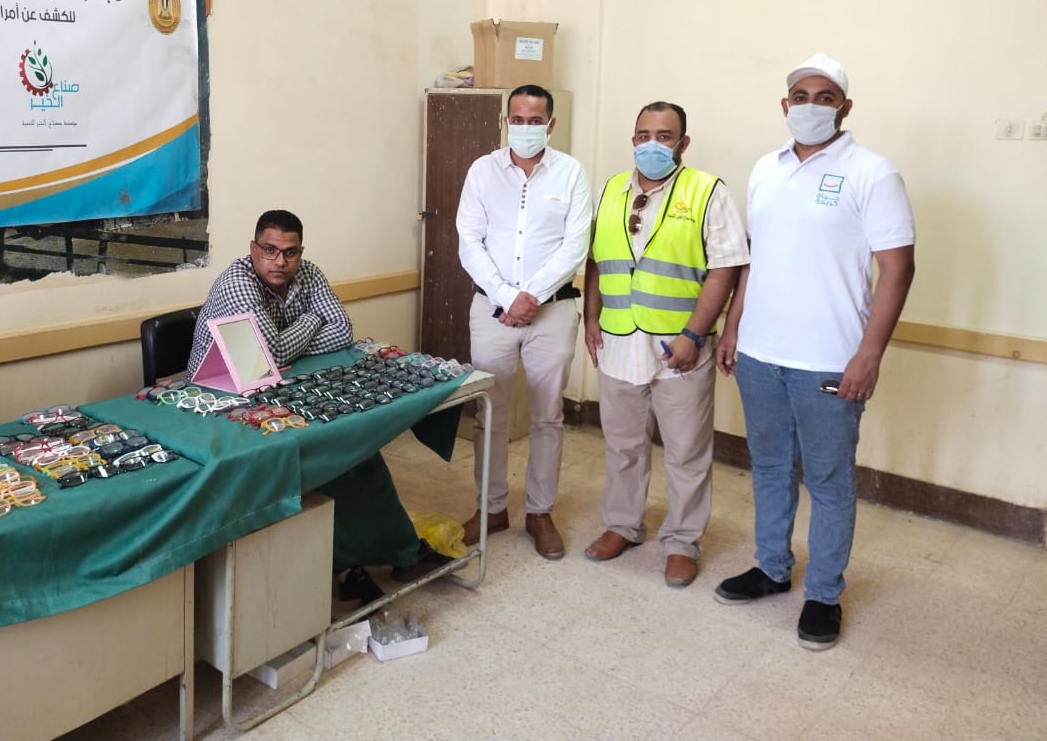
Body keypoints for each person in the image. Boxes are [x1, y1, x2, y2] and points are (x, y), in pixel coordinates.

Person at [715, 53, 915, 651]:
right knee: (771, 467)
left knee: (828, 480)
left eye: (824, 97)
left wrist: (870, 353)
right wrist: (733, 328)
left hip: (829, 359)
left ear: (844, 108)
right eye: (800, 96)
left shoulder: (872, 173)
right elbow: (754, 258)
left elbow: (898, 269)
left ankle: (824, 594)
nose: (810, 106)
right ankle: (772, 568)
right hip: (760, 354)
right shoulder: (765, 169)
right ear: (784, 105)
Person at [187, 209, 446, 597]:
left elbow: (342, 332)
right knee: (330, 455)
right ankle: (359, 560)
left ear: (300, 252)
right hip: (222, 400)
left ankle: (374, 555)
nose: (280, 261)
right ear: (253, 249)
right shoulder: (237, 282)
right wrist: (311, 321)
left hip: (278, 386)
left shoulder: (308, 273)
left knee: (354, 447)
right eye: (270, 250)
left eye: (290, 252)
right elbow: (272, 354)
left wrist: (282, 345)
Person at [581, 102, 748, 587]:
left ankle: (682, 542)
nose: (651, 144)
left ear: (683, 143)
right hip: (617, 341)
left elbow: (726, 267)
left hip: (680, 346)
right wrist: (590, 317)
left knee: (686, 452)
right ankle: (623, 525)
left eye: (664, 135)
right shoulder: (610, 189)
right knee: (623, 445)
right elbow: (596, 260)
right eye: (643, 135)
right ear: (633, 139)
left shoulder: (707, 191)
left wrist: (694, 334)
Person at [455, 84, 592, 560]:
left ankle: (539, 511)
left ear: (551, 125)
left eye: (535, 121)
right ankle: (491, 507)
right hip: (492, 310)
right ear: (505, 121)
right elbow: (469, 241)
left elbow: (575, 244)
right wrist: (508, 296)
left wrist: (530, 297)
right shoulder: (482, 171)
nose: (526, 128)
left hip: (552, 312)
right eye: (518, 119)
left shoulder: (571, 173)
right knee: (488, 412)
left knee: (547, 416)